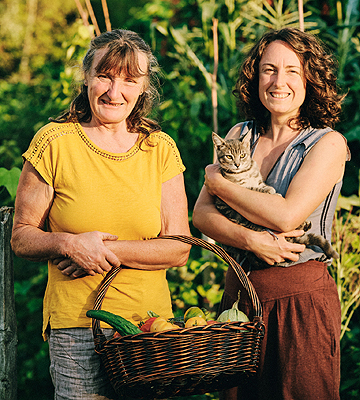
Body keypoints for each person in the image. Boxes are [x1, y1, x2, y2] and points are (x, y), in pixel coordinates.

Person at [11, 29, 191, 400]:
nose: (114, 91)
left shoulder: (159, 149)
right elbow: (22, 236)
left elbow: (179, 247)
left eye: (129, 79)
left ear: (144, 88)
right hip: (77, 327)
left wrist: (98, 251)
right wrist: (67, 243)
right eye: (105, 76)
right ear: (87, 78)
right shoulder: (54, 142)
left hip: (149, 330)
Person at [192, 27, 350, 400]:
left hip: (299, 301)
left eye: (292, 70)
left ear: (310, 78)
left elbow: (286, 216)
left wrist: (218, 183)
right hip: (239, 298)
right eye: (268, 70)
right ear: (255, 76)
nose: (279, 81)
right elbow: (200, 214)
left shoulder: (327, 143)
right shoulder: (239, 134)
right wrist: (249, 239)